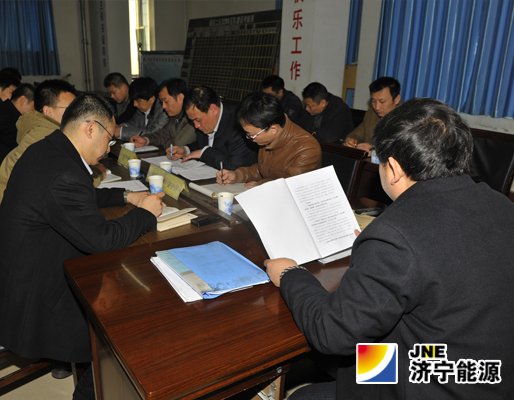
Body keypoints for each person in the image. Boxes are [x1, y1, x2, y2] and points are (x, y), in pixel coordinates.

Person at [265, 98, 514, 399]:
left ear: (393, 168)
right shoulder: (501, 204)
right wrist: (379, 248)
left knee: (302, 396)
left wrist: (291, 274)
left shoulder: (395, 235)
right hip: (488, 372)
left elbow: (333, 333)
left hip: (431, 386)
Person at [0, 94, 165, 400]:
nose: (109, 148)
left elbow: (74, 199)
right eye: (109, 139)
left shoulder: (48, 150)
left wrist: (126, 196)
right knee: (127, 325)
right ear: (90, 128)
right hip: (33, 304)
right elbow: (102, 240)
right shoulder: (64, 173)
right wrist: (145, 214)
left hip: (20, 280)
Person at [0, 79, 105, 240]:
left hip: (6, 218)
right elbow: (70, 183)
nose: (77, 114)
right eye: (70, 109)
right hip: (5, 230)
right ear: (48, 111)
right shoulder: (46, 137)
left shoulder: (38, 127)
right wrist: (98, 174)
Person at [216, 92, 321, 188]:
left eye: (251, 134)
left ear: (273, 129)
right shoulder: (268, 137)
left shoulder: (307, 148)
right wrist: (236, 175)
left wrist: (261, 184)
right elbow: (262, 169)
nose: (248, 137)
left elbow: (291, 187)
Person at [168, 86, 258, 170]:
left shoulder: (239, 124)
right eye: (192, 121)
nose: (196, 126)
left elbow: (236, 166)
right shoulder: (204, 122)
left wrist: (204, 153)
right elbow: (202, 145)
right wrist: (186, 150)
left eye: (197, 120)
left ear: (213, 110)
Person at [130, 78, 197, 148]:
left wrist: (163, 141)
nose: (163, 106)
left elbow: (177, 145)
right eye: (162, 102)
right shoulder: (174, 117)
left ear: (180, 98)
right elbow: (160, 134)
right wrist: (145, 140)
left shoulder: (193, 119)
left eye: (166, 101)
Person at [344, 76, 401, 152]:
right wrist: (351, 141)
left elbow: (403, 149)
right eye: (373, 101)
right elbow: (355, 135)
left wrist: (374, 149)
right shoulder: (371, 113)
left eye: (382, 102)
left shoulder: (408, 117)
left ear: (397, 99)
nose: (377, 107)